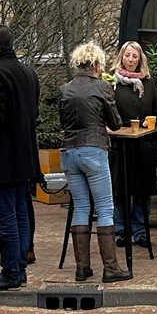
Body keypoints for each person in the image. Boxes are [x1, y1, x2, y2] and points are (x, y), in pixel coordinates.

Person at [0, 24, 42, 291]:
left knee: (5, 214)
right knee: (20, 211)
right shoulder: (27, 72)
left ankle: (10, 271)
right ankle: (18, 268)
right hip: (24, 153)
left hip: (2, 154)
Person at [59, 42, 128, 283]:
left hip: (69, 151)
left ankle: (82, 268)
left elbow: (63, 122)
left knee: (81, 207)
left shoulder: (65, 89)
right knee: (105, 208)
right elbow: (116, 123)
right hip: (94, 149)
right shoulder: (102, 87)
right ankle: (111, 268)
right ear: (97, 65)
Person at [110, 41, 157, 249]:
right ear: (121, 57)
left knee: (142, 191)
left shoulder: (148, 83)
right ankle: (121, 230)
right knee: (119, 190)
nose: (130, 60)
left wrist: (153, 126)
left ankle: (140, 231)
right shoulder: (112, 82)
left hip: (143, 144)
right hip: (119, 144)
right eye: (127, 55)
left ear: (140, 59)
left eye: (134, 56)